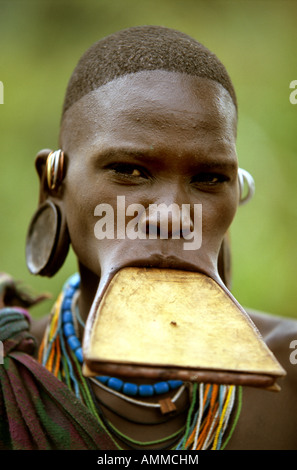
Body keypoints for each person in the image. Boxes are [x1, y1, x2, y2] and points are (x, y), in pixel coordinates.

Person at [0, 25, 296, 451]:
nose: (172, 216)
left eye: (209, 178)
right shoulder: (12, 368)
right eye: (129, 170)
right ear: (54, 184)